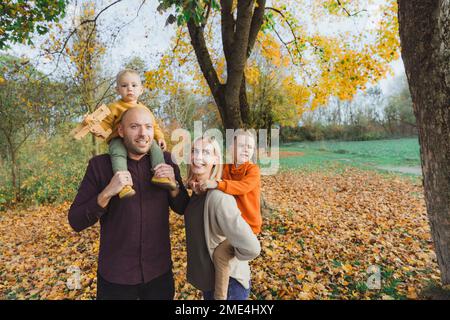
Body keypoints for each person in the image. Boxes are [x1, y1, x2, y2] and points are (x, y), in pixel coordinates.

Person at [68, 107, 189, 300]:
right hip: (116, 279)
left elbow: (183, 207)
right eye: (135, 126)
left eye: (148, 127)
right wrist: (107, 192)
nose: (143, 133)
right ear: (121, 131)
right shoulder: (99, 166)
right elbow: (76, 220)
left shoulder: (166, 161)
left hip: (159, 275)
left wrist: (174, 186)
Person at [184, 135, 261, 300]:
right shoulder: (199, 191)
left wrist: (232, 250)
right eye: (194, 151)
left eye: (205, 152)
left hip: (230, 287)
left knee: (222, 254)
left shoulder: (219, 197)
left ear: (216, 159)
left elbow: (252, 247)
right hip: (209, 281)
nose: (198, 157)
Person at [92, 68, 175, 199]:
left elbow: (154, 125)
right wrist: (99, 129)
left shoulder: (144, 109)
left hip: (142, 142)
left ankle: (161, 174)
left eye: (134, 85)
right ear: (117, 90)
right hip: (118, 139)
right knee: (118, 154)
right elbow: (105, 123)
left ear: (141, 90)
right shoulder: (114, 107)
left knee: (156, 148)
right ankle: (124, 185)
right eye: (124, 86)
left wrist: (160, 137)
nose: (129, 89)